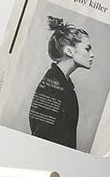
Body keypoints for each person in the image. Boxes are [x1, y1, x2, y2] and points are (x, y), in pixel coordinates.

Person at [28, 19, 94, 149]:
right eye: (87, 49)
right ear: (69, 51)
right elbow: (42, 139)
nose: (92, 55)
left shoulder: (62, 84)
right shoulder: (52, 88)